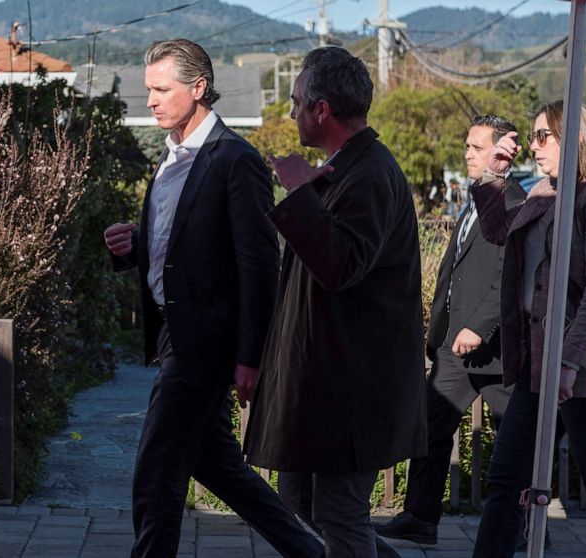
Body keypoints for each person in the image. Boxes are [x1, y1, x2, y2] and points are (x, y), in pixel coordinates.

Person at [102, 38, 322, 558]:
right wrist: (133, 245)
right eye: (147, 90)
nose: (150, 100)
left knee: (155, 475)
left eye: (161, 89)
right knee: (219, 468)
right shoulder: (170, 156)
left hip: (207, 344)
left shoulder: (235, 159)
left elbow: (257, 265)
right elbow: (183, 245)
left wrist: (249, 356)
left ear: (198, 88)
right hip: (177, 335)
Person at [242, 46, 427, 558]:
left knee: (341, 514)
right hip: (327, 387)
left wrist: (300, 190)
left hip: (356, 389)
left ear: (322, 109)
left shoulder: (369, 174)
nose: (292, 112)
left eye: (298, 102)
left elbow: (342, 265)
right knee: (300, 500)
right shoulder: (347, 168)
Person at [471, 100, 586, 558]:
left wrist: (569, 362)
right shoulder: (547, 192)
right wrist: (493, 178)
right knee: (506, 479)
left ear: (576, 137)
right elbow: (500, 233)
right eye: (531, 137)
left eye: (542, 136)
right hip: (540, 363)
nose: (533, 146)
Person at [376, 115, 525, 545]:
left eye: (476, 148)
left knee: (514, 440)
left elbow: (508, 278)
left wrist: (479, 327)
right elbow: (455, 272)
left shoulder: (513, 204)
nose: (468, 154)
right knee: (430, 427)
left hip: (495, 349)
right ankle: (420, 519)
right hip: (453, 348)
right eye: (467, 146)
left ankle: (526, 527)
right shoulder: (473, 201)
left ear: (501, 152)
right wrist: (439, 332)